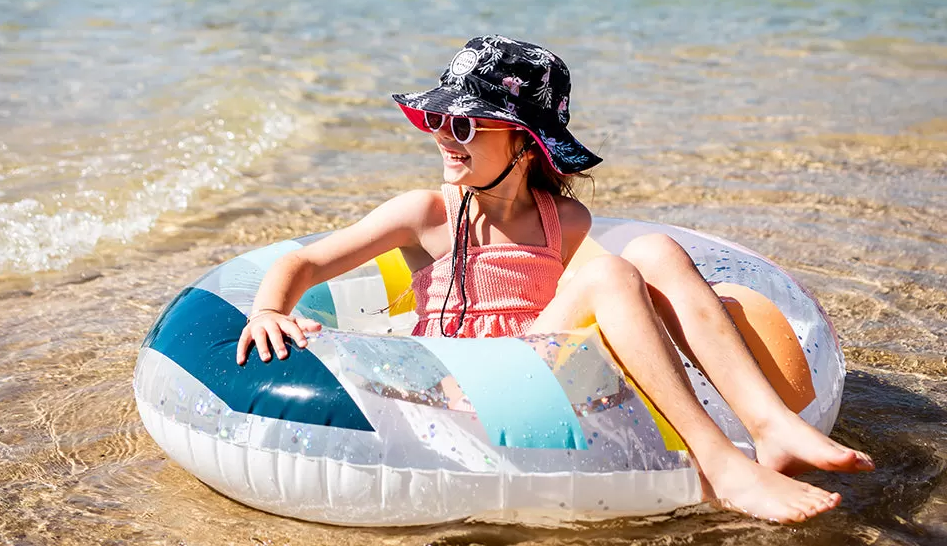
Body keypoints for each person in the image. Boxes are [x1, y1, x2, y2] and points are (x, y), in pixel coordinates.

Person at [236, 36, 873, 524]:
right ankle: (721, 463)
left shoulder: (563, 221)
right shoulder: (425, 214)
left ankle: (767, 424)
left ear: (526, 145)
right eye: (435, 122)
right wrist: (267, 311)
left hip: (533, 371)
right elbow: (304, 265)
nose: (442, 138)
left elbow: (613, 312)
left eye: (462, 125)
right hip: (453, 387)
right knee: (612, 275)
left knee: (650, 250)